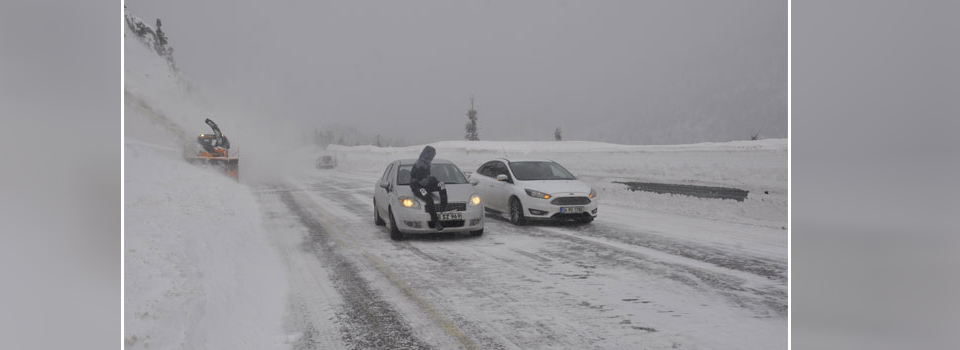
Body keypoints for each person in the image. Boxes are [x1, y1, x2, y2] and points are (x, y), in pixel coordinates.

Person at [409, 145, 448, 231]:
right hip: (418, 187)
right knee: (428, 198)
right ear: (428, 155)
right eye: (432, 155)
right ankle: (436, 222)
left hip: (426, 184)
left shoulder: (428, 163)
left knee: (441, 184)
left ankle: (443, 207)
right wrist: (430, 179)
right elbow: (421, 181)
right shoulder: (418, 164)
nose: (433, 157)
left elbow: (428, 179)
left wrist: (432, 180)